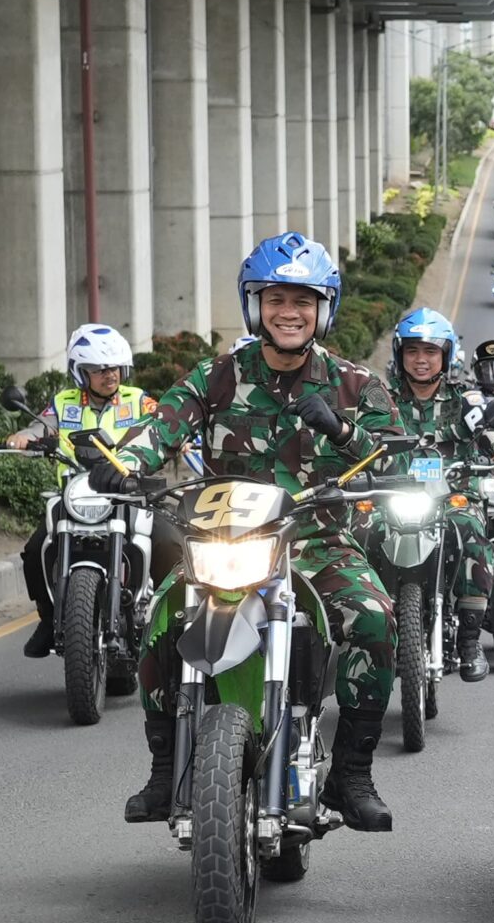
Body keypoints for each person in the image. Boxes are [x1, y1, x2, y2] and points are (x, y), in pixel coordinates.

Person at [90, 232, 404, 831]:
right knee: (159, 618)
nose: (290, 312)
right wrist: (124, 462)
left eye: (304, 301)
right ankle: (164, 770)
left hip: (314, 539)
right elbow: (162, 428)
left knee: (373, 617)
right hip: (221, 540)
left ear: (324, 309)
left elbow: (395, 463)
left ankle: (352, 774)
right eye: (276, 299)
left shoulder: (356, 385)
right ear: (254, 305)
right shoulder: (218, 376)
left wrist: (342, 432)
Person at [9, 324, 151, 658]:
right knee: (34, 550)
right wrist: (25, 436)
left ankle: (174, 620)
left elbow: (165, 422)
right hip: (76, 495)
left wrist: (186, 437)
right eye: (99, 370)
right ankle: (48, 618)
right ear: (80, 372)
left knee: (172, 544)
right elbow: (41, 425)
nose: (109, 375)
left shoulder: (138, 400)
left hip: (127, 493)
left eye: (114, 368)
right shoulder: (64, 403)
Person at [388, 307, 494, 684]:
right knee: (359, 534)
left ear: (446, 355)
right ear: (399, 355)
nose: (421, 361)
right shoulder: (382, 402)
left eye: (430, 352)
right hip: (394, 496)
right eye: (412, 352)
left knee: (471, 533)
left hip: (452, 495)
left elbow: (490, 434)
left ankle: (469, 642)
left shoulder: (465, 402)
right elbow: (358, 440)